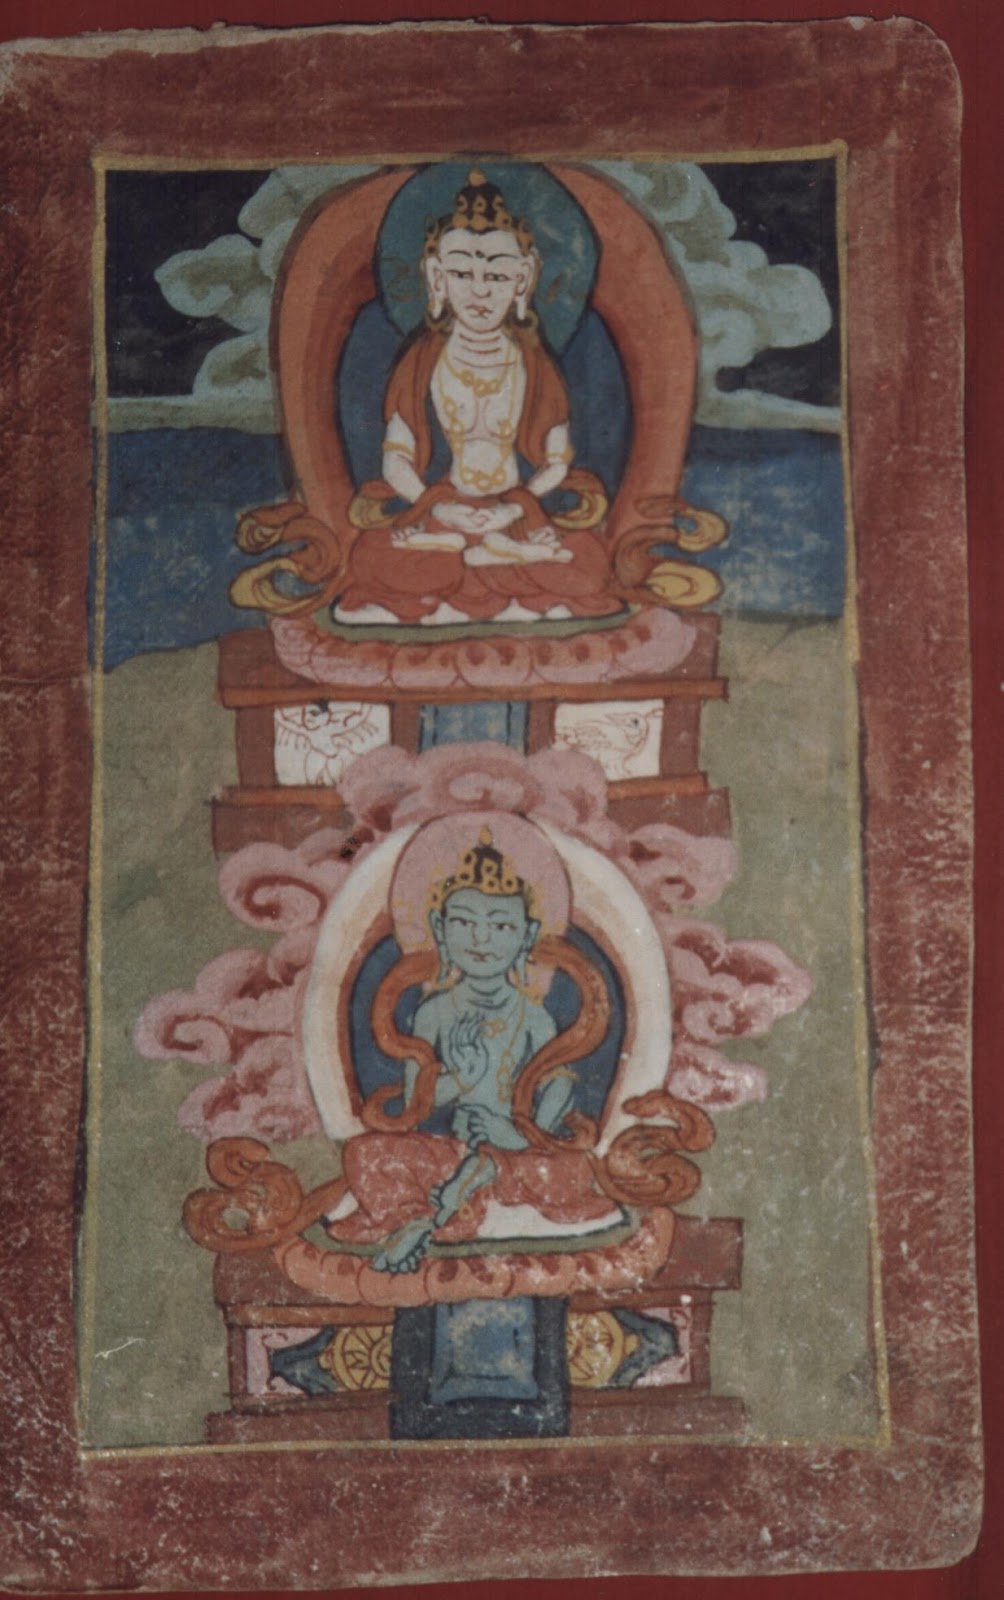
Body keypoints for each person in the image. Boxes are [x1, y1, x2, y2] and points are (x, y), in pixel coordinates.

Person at [334, 169, 620, 627]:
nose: (480, 290)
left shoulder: (535, 364)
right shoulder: (421, 361)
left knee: (589, 563)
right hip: (444, 513)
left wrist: (512, 508)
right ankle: (494, 575)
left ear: (524, 279)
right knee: (370, 556)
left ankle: (467, 578)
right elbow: (396, 462)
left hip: (514, 515)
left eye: (497, 273)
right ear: (436, 277)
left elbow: (556, 463)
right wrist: (440, 508)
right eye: (462, 273)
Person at [327, 829, 616, 1273]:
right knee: (364, 1155)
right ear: (440, 930)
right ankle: (447, 1199)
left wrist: (521, 1134)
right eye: (464, 923)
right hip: (451, 1155)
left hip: (516, 1155)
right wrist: (461, 1079)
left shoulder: (534, 1017)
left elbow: (557, 1087)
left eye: (501, 926)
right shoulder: (433, 1013)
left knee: (574, 1170)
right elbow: (414, 1106)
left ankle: (434, 1213)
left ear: (527, 936)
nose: (482, 940)